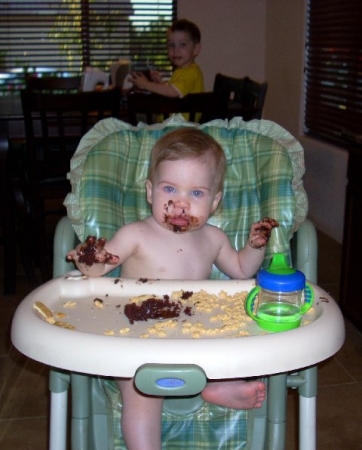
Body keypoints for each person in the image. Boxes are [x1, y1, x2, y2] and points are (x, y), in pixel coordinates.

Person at [67, 128, 279, 450]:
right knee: (140, 393)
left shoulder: (213, 238)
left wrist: (255, 246)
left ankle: (213, 386)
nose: (181, 204)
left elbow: (241, 271)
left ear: (215, 200)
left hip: (193, 330)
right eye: (170, 189)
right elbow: (99, 267)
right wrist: (88, 258)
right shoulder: (135, 234)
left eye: (196, 194)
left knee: (230, 343)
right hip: (138, 336)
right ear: (151, 192)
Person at [129, 19, 204, 98]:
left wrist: (146, 84)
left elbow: (173, 92)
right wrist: (160, 84)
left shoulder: (191, 72)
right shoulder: (181, 71)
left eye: (182, 44)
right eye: (171, 45)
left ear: (195, 49)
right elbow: (172, 94)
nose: (175, 50)